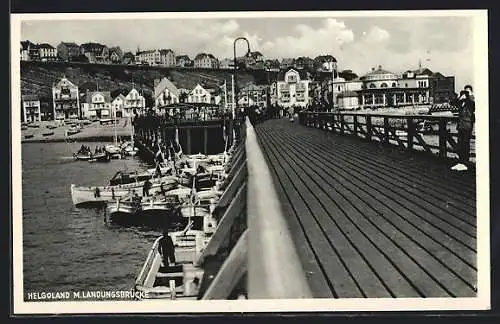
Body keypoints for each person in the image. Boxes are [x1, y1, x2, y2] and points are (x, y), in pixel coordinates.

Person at [451, 86, 475, 171]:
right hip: (460, 125)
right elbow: (453, 103)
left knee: (465, 145)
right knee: (460, 144)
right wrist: (460, 96)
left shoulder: (471, 101)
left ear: (471, 92)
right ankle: (460, 162)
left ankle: (465, 163)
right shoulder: (462, 101)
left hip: (467, 126)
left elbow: (473, 103)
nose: (466, 93)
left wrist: (470, 95)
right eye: (465, 91)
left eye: (467, 91)